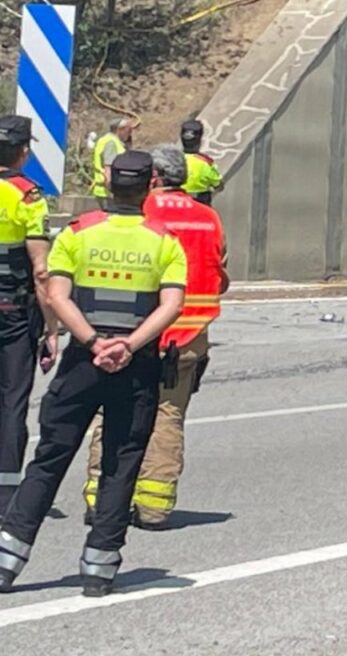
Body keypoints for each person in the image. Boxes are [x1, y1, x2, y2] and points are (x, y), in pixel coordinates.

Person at [0, 151, 186, 597]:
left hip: (83, 363)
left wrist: (92, 341)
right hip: (135, 365)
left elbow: (57, 293)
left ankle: (6, 563)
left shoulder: (79, 234)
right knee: (120, 465)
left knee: (49, 460)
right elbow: (172, 304)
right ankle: (99, 571)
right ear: (150, 185)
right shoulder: (164, 241)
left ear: (108, 184)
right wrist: (127, 344)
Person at [83, 145, 226, 529]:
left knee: (111, 411)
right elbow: (220, 275)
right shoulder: (209, 219)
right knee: (167, 415)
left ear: (154, 178)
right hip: (188, 336)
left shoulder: (138, 213)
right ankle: (154, 506)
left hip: (133, 332)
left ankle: (100, 499)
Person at [0, 115, 58, 507]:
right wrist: (52, 328)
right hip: (13, 312)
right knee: (12, 399)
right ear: (24, 152)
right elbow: (41, 271)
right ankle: (5, 493)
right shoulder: (27, 196)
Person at [91, 118, 134, 208]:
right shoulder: (111, 143)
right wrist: (113, 190)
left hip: (104, 191)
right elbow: (108, 169)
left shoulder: (106, 140)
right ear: (120, 130)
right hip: (108, 193)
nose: (130, 133)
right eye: (129, 130)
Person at [179, 119, 222, 206]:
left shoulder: (174, 160)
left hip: (176, 207)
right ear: (199, 140)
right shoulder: (205, 162)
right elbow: (218, 184)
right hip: (200, 207)